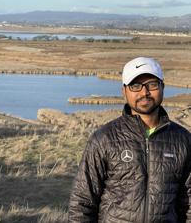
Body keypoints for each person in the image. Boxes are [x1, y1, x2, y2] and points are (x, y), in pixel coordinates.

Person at [68, 57, 191, 223]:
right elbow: (82, 203)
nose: (144, 92)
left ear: (162, 86)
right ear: (124, 91)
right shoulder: (104, 138)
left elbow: (188, 203)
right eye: (135, 86)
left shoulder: (183, 140)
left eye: (152, 84)